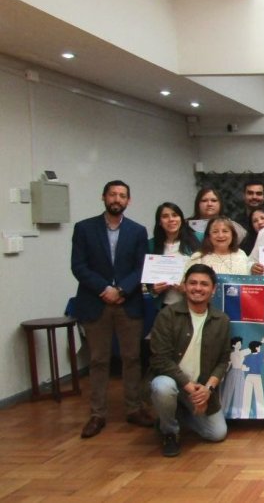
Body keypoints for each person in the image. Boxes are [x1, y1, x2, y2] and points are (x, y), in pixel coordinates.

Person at [71, 180, 153, 438]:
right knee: (98, 360)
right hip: (96, 302)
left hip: (128, 302)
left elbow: (141, 266)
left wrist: (122, 290)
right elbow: (78, 266)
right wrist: (104, 289)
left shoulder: (137, 231)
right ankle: (97, 414)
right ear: (103, 197)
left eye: (122, 195)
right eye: (113, 194)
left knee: (132, 358)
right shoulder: (84, 228)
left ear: (128, 201)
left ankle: (134, 408)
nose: (117, 199)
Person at [149, 264, 230, 457]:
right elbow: (160, 360)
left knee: (217, 433)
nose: (198, 288)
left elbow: (223, 361)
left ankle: (175, 414)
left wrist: (207, 390)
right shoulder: (167, 315)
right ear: (184, 286)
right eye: (193, 283)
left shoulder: (221, 320)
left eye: (204, 284)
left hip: (201, 387)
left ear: (213, 289)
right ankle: (169, 431)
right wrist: (189, 387)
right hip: (174, 383)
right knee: (162, 387)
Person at [148, 202, 201, 308]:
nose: (171, 219)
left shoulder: (198, 238)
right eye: (165, 216)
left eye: (175, 215)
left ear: (181, 219)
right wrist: (154, 289)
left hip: (193, 304)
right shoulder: (151, 244)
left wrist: (188, 288)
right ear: (159, 222)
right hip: (165, 306)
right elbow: (148, 282)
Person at [186, 217, 253, 275]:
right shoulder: (198, 257)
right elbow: (185, 284)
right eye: (215, 232)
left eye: (225, 231)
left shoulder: (241, 254)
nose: (220, 235)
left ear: (232, 235)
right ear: (209, 236)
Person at [220, 337, 250, 418]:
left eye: (240, 343)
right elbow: (228, 365)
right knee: (228, 392)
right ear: (233, 345)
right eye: (238, 343)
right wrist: (222, 375)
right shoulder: (231, 354)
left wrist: (262, 342)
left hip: (240, 373)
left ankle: (237, 414)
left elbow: (250, 349)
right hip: (233, 373)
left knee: (239, 392)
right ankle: (223, 412)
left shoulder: (242, 352)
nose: (240, 345)